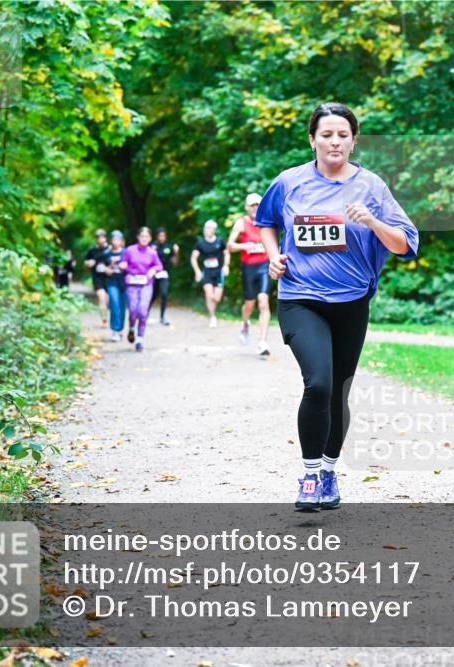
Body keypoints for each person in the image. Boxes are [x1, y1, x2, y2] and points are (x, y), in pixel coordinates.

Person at [255, 102, 419, 512]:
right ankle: (310, 475)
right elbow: (266, 222)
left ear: (353, 140)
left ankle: (329, 471)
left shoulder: (371, 187)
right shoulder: (289, 182)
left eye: (343, 135)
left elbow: (405, 244)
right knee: (319, 383)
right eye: (326, 134)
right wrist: (273, 257)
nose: (335, 142)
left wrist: (374, 222)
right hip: (299, 298)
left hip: (351, 302)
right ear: (312, 139)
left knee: (338, 390)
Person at [228, 192, 272, 355]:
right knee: (249, 304)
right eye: (252, 205)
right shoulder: (241, 223)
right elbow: (230, 246)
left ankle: (263, 342)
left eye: (258, 205)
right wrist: (243, 246)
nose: (255, 208)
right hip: (248, 267)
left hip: (264, 265)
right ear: (246, 207)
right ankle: (245, 323)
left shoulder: (267, 222)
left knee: (263, 302)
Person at [120, 227, 164, 353]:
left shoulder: (152, 252)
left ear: (150, 239)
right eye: (142, 236)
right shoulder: (130, 250)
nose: (144, 239)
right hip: (132, 283)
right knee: (133, 309)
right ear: (138, 237)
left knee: (143, 310)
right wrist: (123, 265)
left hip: (146, 284)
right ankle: (132, 328)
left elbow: (159, 266)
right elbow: (123, 262)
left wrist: (153, 270)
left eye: (146, 237)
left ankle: (139, 339)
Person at [190, 220, 230, 328]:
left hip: (218, 272)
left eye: (211, 228)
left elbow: (226, 253)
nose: (209, 230)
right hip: (207, 272)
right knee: (209, 294)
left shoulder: (220, 241)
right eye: (207, 227)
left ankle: (213, 312)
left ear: (215, 230)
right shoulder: (200, 243)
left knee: (216, 298)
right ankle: (212, 317)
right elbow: (193, 258)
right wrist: (197, 271)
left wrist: (226, 265)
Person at [150, 227, 179, 326]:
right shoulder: (152, 246)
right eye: (160, 236)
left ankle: (162, 317)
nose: (162, 238)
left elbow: (175, 263)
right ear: (157, 236)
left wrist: (176, 252)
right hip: (153, 274)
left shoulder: (168, 247)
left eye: (163, 236)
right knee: (152, 296)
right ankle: (145, 314)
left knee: (164, 293)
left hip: (163, 274)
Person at [103, 231, 127, 342]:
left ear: (122, 241)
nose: (116, 242)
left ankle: (121, 328)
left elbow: (133, 265)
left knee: (122, 306)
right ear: (111, 241)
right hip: (111, 281)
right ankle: (115, 330)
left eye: (118, 240)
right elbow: (100, 265)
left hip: (124, 282)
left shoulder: (126, 253)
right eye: (114, 239)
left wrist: (126, 267)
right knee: (114, 303)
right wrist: (106, 269)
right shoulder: (106, 253)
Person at [84, 229, 110, 326]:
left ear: (105, 238)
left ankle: (105, 315)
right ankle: (104, 319)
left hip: (109, 277)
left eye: (102, 237)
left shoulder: (110, 249)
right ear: (96, 239)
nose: (101, 239)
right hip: (97, 277)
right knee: (101, 297)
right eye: (99, 238)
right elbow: (86, 261)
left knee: (106, 299)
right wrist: (89, 263)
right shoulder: (92, 250)